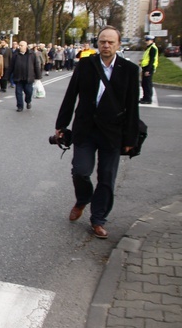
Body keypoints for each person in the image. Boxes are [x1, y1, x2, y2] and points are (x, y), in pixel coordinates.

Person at [55, 26, 140, 239]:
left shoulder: (129, 70)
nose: (106, 45)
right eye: (103, 41)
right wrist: (62, 124)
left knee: (106, 178)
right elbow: (70, 95)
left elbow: (132, 106)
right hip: (85, 129)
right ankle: (83, 198)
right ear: (97, 43)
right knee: (81, 171)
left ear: (118, 45)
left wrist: (130, 137)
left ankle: (98, 219)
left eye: (111, 42)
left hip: (113, 132)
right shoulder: (86, 65)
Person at [9, 40, 42, 112]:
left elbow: (36, 65)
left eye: (21, 45)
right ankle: (20, 106)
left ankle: (28, 101)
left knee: (29, 91)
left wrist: (38, 76)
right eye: (19, 45)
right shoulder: (15, 54)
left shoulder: (32, 54)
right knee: (18, 93)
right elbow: (11, 66)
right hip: (18, 77)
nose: (19, 47)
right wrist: (7, 76)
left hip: (28, 77)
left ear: (26, 46)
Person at [139, 35, 158, 104]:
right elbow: (147, 58)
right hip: (146, 67)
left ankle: (148, 99)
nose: (146, 42)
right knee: (144, 83)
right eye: (146, 40)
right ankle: (145, 97)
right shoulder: (149, 48)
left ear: (152, 41)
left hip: (149, 68)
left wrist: (148, 70)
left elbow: (152, 60)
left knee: (147, 84)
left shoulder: (153, 48)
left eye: (148, 40)